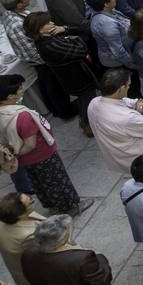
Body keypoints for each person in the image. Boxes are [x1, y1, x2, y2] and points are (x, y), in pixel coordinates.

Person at [0, 75, 84, 215]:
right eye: (19, 88)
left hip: (24, 160)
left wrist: (14, 153)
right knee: (57, 181)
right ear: (10, 96)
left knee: (39, 184)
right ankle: (70, 207)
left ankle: (51, 206)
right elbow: (31, 144)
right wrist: (18, 152)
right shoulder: (23, 116)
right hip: (42, 155)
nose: (22, 90)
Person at [86, 68, 143, 176]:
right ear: (121, 88)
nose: (129, 88)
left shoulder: (94, 103)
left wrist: (137, 102)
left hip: (123, 159)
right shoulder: (127, 118)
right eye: (128, 85)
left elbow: (123, 101)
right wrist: (141, 113)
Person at [0, 192, 44, 285]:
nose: (33, 201)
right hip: (36, 274)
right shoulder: (28, 236)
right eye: (31, 202)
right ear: (20, 214)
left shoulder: (5, 221)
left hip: (19, 268)